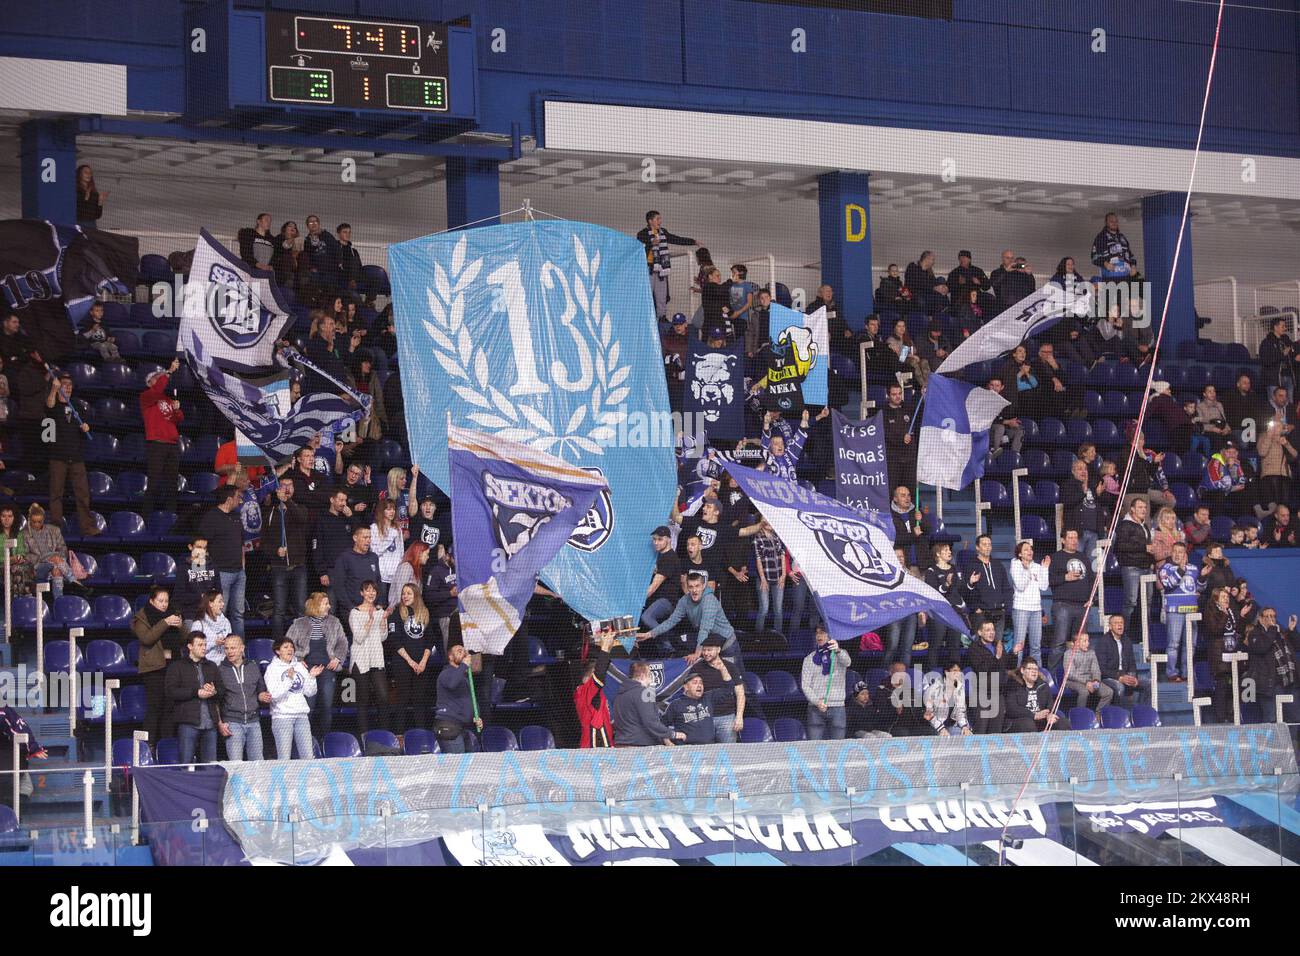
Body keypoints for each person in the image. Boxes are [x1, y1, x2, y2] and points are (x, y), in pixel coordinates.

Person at [286, 592, 348, 739]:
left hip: (327, 668)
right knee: (309, 706)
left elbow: (343, 643)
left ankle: (324, 739)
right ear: (315, 605)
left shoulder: (334, 622)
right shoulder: (299, 623)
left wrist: (338, 658)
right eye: (325, 603)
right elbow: (287, 644)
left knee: (327, 706)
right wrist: (296, 659)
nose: (329, 606)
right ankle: (307, 739)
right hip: (307, 670)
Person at [131, 586, 185, 748]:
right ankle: (149, 746)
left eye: (166, 601)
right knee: (155, 707)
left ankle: (166, 746)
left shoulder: (172, 615)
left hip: (173, 667)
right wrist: (165, 622)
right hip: (154, 669)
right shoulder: (141, 618)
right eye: (160, 601)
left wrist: (180, 626)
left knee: (170, 708)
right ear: (151, 601)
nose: (164, 604)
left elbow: (184, 640)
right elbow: (147, 639)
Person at [44, 371, 96, 535]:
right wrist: (53, 389)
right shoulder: (52, 405)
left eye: (69, 385)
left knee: (83, 494)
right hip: (58, 457)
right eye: (64, 385)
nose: (67, 388)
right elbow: (49, 406)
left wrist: (86, 427)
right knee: (56, 494)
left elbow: (85, 423)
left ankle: (88, 527)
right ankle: (55, 529)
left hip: (77, 457)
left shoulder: (77, 406)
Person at [640, 570, 737, 657]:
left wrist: (697, 653)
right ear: (687, 587)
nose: (694, 590)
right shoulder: (684, 601)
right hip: (710, 646)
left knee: (733, 676)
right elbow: (671, 621)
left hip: (727, 644)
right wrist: (649, 634)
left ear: (703, 586)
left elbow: (705, 629)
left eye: (697, 586)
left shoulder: (709, 600)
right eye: (691, 587)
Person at [261, 477, 309, 640]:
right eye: (283, 485)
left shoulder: (300, 507)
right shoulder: (270, 512)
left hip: (298, 566)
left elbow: (301, 519)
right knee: (279, 609)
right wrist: (276, 551)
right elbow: (264, 543)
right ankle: (278, 644)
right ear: (277, 488)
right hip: (279, 567)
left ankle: (301, 644)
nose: (287, 488)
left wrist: (287, 502)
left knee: (301, 609)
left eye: (290, 485)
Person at [166, 631, 223, 764]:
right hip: (188, 723)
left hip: (210, 724)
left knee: (210, 767)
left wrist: (214, 691)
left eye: (205, 644)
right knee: (185, 765)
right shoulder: (177, 666)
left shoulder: (212, 666)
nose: (204, 648)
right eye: (200, 645)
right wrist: (196, 692)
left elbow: (222, 690)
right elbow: (170, 691)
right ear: (190, 646)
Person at [198, 486, 247, 638]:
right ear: (229, 499)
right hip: (221, 574)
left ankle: (240, 650)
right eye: (238, 497)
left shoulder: (237, 517)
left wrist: (243, 569)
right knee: (219, 613)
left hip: (239, 573)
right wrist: (199, 574)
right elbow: (200, 546)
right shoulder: (211, 517)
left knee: (238, 614)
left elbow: (241, 545)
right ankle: (217, 650)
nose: (240, 500)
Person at [138, 361, 184, 515]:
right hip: (157, 444)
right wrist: (169, 371)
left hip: (172, 444)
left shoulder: (167, 400)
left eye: (160, 377)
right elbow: (159, 388)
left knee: (172, 484)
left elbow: (177, 420)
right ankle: (146, 516)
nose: (160, 379)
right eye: (156, 378)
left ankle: (171, 516)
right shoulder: (147, 397)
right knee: (154, 482)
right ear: (149, 382)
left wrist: (177, 410)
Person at [266, 636, 321, 760]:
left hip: (301, 716)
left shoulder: (300, 667)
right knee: (284, 757)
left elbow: (310, 692)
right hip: (282, 717)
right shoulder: (272, 669)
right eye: (285, 647)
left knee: (308, 756)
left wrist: (312, 677)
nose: (289, 649)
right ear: (277, 651)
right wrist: (288, 680)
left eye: (291, 647)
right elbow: (274, 695)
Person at [217, 635, 270, 761]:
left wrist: (262, 696)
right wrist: (219, 723)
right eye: (226, 648)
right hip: (232, 723)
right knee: (236, 765)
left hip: (254, 722)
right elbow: (215, 701)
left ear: (242, 648)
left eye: (233, 648)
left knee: (258, 764)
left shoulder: (253, 666)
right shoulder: (220, 670)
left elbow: (260, 689)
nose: (229, 651)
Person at [347, 580, 390, 736]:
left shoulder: (379, 611)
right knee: (363, 701)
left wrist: (383, 621)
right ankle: (364, 737)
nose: (371, 593)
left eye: (374, 590)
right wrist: (371, 619)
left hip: (376, 658)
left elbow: (383, 637)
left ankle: (384, 735)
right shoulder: (355, 613)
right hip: (361, 659)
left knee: (383, 698)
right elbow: (358, 637)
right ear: (361, 593)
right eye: (368, 590)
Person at [1046, 529, 1093, 671]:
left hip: (1082, 606)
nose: (1074, 540)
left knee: (1080, 644)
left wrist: (1091, 598)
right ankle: (1052, 678)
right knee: (1059, 643)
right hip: (1063, 605)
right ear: (1063, 540)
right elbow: (1048, 580)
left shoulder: (1083, 557)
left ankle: (1078, 676)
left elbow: (1091, 579)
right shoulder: (1056, 557)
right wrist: (1065, 577)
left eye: (1075, 537)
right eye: (1070, 537)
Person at [636, 211, 696, 321]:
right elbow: (638, 250)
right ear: (650, 221)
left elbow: (676, 239)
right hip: (648, 269)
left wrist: (693, 241)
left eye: (660, 219)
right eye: (657, 219)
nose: (660, 221)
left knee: (661, 295)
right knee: (647, 295)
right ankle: (645, 317)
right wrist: (651, 243)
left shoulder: (663, 232)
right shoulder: (642, 234)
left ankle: (662, 317)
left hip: (661, 270)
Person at [611, 660, 685, 747]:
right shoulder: (645, 693)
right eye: (650, 675)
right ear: (643, 675)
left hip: (621, 745)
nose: (651, 679)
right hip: (640, 747)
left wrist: (665, 738)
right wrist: (673, 734)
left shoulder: (619, 696)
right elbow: (650, 722)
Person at [1244, 608, 1297, 724]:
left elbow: (1297, 646)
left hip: (1289, 681)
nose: (1271, 619)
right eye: (1267, 616)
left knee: (1293, 718)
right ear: (1260, 619)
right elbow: (1262, 647)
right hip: (1270, 684)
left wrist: (1292, 631)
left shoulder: (1280, 633)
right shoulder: (1255, 633)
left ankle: (1290, 742)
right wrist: (1272, 630)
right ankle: (1270, 743)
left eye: (1273, 616)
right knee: (1272, 719)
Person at [800, 626, 853, 740]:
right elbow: (805, 685)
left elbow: (847, 662)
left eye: (823, 633)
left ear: (830, 636)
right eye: (817, 633)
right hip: (815, 708)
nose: (819, 636)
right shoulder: (809, 659)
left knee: (838, 748)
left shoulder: (840, 654)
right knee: (815, 747)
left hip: (837, 707)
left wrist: (837, 650)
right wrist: (817, 701)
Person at [1159, 542, 1200, 682]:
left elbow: (1200, 587)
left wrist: (1204, 577)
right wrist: (1181, 570)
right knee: (1174, 644)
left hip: (1191, 611)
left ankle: (1186, 673)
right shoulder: (1165, 568)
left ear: (1185, 554)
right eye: (1175, 551)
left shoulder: (1194, 568)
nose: (1177, 554)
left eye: (1180, 552)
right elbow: (1168, 584)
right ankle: (1171, 673)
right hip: (1174, 610)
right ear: (1171, 552)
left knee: (1190, 644)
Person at [1115, 497, 1156, 641]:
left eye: (1145, 507)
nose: (1143, 510)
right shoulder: (1125, 525)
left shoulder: (1144, 525)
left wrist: (1151, 561)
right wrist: (1144, 548)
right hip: (1131, 567)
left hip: (1146, 568)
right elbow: (1120, 546)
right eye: (1140, 507)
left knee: (1147, 602)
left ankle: (1144, 635)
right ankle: (1122, 634)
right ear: (1132, 509)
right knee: (1131, 602)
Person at [923, 543, 966, 668]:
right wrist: (946, 585)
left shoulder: (955, 568)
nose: (949, 552)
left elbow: (961, 589)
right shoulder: (932, 571)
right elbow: (933, 593)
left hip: (955, 612)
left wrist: (970, 583)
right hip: (939, 612)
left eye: (949, 550)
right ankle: (933, 675)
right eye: (945, 550)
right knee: (936, 644)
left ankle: (954, 674)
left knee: (955, 645)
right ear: (938, 554)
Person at [1203, 587, 1242, 723]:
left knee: (1233, 685)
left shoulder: (1231, 611)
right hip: (1219, 655)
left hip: (1233, 652)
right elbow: (1216, 630)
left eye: (1227, 597)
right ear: (1216, 599)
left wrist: (1240, 615)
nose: (1227, 599)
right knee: (1222, 685)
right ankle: (1221, 717)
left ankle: (1232, 714)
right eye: (1223, 597)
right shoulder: (1211, 612)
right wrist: (1224, 614)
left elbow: (1238, 629)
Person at [435, 643, 482, 753]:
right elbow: (452, 683)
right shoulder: (446, 673)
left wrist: (476, 716)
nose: (464, 653)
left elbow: (470, 698)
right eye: (459, 651)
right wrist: (464, 665)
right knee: (457, 766)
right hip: (449, 726)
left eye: (464, 651)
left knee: (469, 765)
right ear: (450, 657)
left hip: (463, 727)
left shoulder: (464, 677)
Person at [965, 533, 1011, 643]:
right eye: (984, 544)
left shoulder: (998, 565)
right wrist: (976, 608)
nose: (987, 547)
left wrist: (1005, 606)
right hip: (981, 614)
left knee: (998, 646)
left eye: (989, 544)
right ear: (977, 547)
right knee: (980, 647)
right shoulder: (970, 566)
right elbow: (965, 591)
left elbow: (1006, 587)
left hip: (999, 613)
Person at [1001, 659, 1070, 733]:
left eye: (1036, 669)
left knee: (1064, 722)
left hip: (1041, 720)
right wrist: (1033, 715)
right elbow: (1011, 709)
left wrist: (1050, 715)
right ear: (1022, 670)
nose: (1034, 671)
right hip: (1020, 721)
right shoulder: (1012, 686)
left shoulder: (1043, 686)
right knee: (1028, 724)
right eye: (1030, 669)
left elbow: (1050, 705)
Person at [1010, 541, 1050, 665]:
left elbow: (1044, 587)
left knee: (1036, 647)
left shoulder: (1037, 566)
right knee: (1019, 645)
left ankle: (1038, 676)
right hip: (1021, 608)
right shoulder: (1015, 564)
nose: (1030, 551)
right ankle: (1016, 674)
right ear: (1020, 554)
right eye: (1026, 549)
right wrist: (1026, 569)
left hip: (1036, 610)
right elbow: (1021, 586)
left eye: (1031, 549)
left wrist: (1044, 569)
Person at [575, 628, 616, 748]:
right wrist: (604, 649)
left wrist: (608, 647)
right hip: (595, 747)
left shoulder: (584, 691)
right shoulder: (587, 690)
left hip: (593, 744)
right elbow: (600, 673)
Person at [1095, 615, 1148, 706]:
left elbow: (1132, 663)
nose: (1120, 625)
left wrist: (1133, 677)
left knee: (1149, 684)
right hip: (1109, 677)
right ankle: (1120, 716)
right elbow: (1102, 669)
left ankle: (1141, 713)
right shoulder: (1103, 642)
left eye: (1121, 623)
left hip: (1125, 675)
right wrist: (1119, 678)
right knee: (1119, 687)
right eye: (1116, 623)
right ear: (1110, 626)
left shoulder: (1127, 641)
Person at [331, 524, 381, 617]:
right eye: (365, 537)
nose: (368, 541)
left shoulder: (373, 557)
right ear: (355, 538)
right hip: (352, 611)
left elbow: (378, 581)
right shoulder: (344, 558)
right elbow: (339, 586)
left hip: (371, 609)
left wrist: (379, 604)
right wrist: (351, 608)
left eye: (370, 537)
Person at [24, 504, 71, 601]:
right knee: (55, 563)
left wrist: (55, 558)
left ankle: (59, 602)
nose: (37, 524)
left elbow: (63, 549)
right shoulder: (24, 534)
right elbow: (26, 555)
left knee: (56, 570)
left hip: (56, 562)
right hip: (37, 565)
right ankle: (73, 580)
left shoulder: (54, 530)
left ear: (44, 519)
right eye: (34, 522)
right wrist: (47, 558)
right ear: (29, 520)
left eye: (39, 522)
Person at [1062, 631, 1112, 718]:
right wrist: (1086, 682)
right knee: (1084, 692)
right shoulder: (1068, 654)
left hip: (1091, 682)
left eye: (1088, 641)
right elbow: (1070, 674)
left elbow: (1096, 669)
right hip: (1073, 682)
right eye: (1084, 641)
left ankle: (1098, 714)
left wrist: (1096, 681)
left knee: (1108, 692)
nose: (1088, 643)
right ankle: (1080, 716)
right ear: (1076, 643)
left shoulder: (1091, 653)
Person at [968, 620, 1005, 734]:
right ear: (980, 632)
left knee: (996, 729)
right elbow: (981, 669)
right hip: (982, 694)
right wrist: (996, 658)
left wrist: (1014, 653)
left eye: (993, 630)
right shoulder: (974, 648)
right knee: (981, 728)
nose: (991, 633)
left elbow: (1009, 664)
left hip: (998, 693)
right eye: (988, 630)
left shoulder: (997, 646)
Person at [641, 526, 682, 629]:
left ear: (668, 539)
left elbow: (654, 586)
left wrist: (638, 600)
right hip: (657, 600)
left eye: (660, 539)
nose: (656, 542)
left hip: (667, 601)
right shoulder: (660, 556)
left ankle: (667, 641)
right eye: (654, 539)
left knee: (647, 617)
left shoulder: (669, 558)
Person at [752, 519, 787, 634]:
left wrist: (783, 575)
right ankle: (758, 637)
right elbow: (758, 559)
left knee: (778, 610)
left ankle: (779, 637)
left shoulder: (777, 536)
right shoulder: (758, 538)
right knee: (764, 609)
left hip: (778, 579)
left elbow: (782, 556)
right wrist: (762, 579)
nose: (767, 522)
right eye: (764, 520)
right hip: (764, 579)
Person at [882, 384, 918, 494]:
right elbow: (885, 435)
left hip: (909, 458)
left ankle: (914, 510)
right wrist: (901, 439)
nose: (898, 397)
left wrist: (922, 393)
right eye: (894, 394)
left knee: (911, 490)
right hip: (893, 459)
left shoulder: (908, 409)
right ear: (888, 395)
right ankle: (891, 511)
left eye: (899, 393)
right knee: (893, 490)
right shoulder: (883, 412)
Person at [1256, 419, 1297, 515]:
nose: (1277, 428)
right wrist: (1269, 436)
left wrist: (1286, 444)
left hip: (1284, 475)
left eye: (1280, 426)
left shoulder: (1285, 439)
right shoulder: (1264, 436)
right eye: (1275, 426)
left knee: (1285, 505)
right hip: (1269, 475)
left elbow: (1295, 455)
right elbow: (1262, 452)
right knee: (1274, 505)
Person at [423, 543, 459, 653]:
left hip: (461, 614)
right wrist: (449, 593)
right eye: (454, 557)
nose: (456, 560)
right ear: (447, 556)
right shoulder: (436, 571)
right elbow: (429, 596)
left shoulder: (460, 568)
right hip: (446, 616)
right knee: (450, 649)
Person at [369, 499, 403, 605]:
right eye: (388, 509)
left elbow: (401, 551)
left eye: (393, 509)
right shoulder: (374, 528)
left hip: (395, 574)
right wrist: (389, 537)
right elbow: (375, 551)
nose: (392, 512)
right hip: (381, 574)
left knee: (394, 605)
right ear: (382, 511)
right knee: (381, 605)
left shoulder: (398, 529)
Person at [924, 662, 972, 736]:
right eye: (954, 671)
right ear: (946, 672)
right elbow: (928, 714)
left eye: (959, 671)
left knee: (966, 734)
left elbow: (960, 712)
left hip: (952, 726)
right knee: (953, 734)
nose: (958, 674)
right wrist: (941, 729)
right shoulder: (934, 689)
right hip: (934, 726)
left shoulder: (960, 688)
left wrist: (964, 727)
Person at [1090, 212, 1138, 278]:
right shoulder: (1101, 237)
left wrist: (1133, 266)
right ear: (1106, 223)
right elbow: (1094, 257)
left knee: (1140, 282)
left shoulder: (1122, 237)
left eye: (1116, 221)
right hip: (1111, 275)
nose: (1114, 223)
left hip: (1126, 273)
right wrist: (1106, 264)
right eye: (1111, 221)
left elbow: (1131, 256)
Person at [986, 376, 1023, 459]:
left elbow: (1007, 415)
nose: (994, 388)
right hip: (987, 431)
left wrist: (1013, 421)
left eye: (997, 385)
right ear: (988, 386)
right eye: (992, 385)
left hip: (1002, 433)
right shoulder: (983, 399)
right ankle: (995, 450)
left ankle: (1014, 456)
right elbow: (987, 419)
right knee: (1000, 427)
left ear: (1002, 387)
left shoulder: (1005, 400)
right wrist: (1006, 422)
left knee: (1019, 429)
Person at [1259, 315, 1298, 392]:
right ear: (1275, 327)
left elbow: (1292, 352)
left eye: (1285, 326)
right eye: (1283, 326)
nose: (1285, 328)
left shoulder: (1286, 341)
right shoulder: (1266, 343)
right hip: (1274, 380)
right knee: (1274, 401)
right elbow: (1266, 360)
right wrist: (1282, 354)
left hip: (1288, 376)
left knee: (1288, 402)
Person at [192, 589, 232, 665]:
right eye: (220, 601)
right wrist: (214, 642)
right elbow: (195, 650)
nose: (223, 604)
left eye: (222, 601)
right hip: (206, 665)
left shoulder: (226, 622)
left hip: (225, 664)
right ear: (210, 603)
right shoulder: (198, 624)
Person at [74, 164, 106, 229]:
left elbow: (97, 215)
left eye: (90, 173)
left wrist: (100, 202)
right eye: (86, 172)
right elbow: (78, 212)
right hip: (79, 224)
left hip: (92, 224)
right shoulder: (74, 191)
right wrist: (85, 199)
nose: (88, 174)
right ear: (79, 174)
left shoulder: (94, 192)